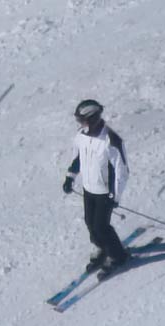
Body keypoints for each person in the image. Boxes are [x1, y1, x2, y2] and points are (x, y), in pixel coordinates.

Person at [62, 99, 131, 277]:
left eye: (82, 120)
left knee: (102, 227)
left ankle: (118, 256)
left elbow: (122, 171)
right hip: (88, 189)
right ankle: (102, 247)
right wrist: (70, 177)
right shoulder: (82, 136)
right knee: (90, 224)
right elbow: (79, 158)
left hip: (104, 192)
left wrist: (115, 196)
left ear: (92, 118)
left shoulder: (111, 140)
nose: (80, 124)